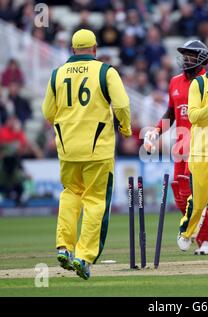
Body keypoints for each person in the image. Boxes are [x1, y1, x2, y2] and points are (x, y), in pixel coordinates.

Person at [42, 29, 131, 280]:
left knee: (70, 194)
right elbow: (122, 104)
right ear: (95, 49)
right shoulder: (106, 71)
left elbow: (47, 111)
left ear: (72, 50)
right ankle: (84, 256)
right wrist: (124, 127)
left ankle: (63, 247)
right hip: (97, 150)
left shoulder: (56, 74)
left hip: (68, 149)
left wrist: (66, 127)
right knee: (94, 201)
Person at [144, 40, 208, 255]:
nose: (186, 58)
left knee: (192, 194)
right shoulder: (174, 82)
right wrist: (156, 131)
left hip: (202, 145)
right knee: (180, 197)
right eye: (184, 54)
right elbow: (171, 112)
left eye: (190, 55)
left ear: (202, 59)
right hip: (181, 146)